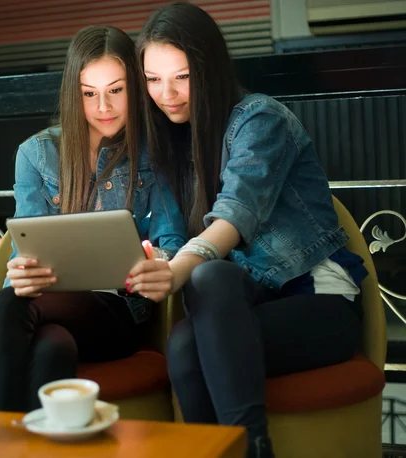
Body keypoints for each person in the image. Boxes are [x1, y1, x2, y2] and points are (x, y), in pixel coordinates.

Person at [126, 3, 367, 457]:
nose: (167, 93)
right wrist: (161, 261)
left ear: (209, 68)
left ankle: (252, 449)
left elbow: (235, 216)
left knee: (204, 287)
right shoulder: (174, 145)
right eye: (153, 79)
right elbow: (178, 237)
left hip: (318, 304)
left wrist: (178, 272)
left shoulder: (260, 119)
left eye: (182, 76)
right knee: (183, 338)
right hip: (238, 307)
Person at [0, 25, 187, 413]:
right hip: (50, 309)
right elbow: (27, 243)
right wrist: (20, 271)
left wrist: (157, 260)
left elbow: (173, 243)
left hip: (120, 314)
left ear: (136, 88)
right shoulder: (36, 155)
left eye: (116, 90)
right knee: (52, 348)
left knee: (7, 306)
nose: (103, 107)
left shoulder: (154, 152)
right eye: (89, 94)